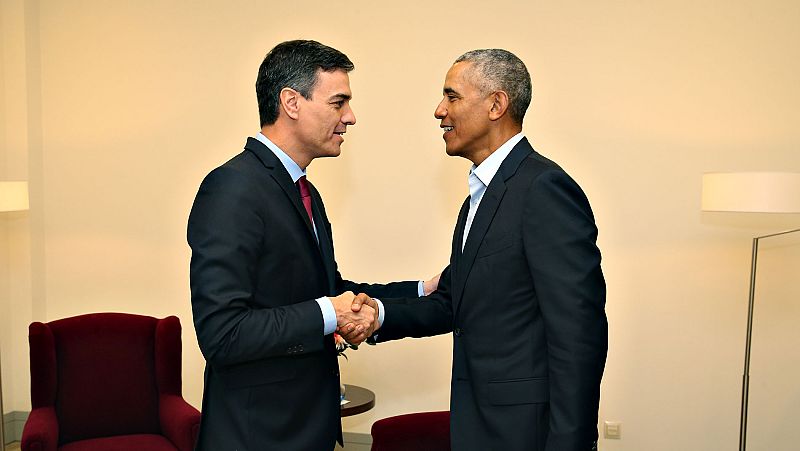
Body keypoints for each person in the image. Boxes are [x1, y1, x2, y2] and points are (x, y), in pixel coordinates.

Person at [187, 40, 437, 451]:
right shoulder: (232, 188)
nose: (350, 117)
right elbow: (222, 332)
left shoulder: (305, 192)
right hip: (257, 437)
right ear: (291, 102)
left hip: (304, 431)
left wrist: (418, 291)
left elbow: (327, 291)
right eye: (339, 102)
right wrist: (327, 313)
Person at [353, 49, 608, 450]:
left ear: (496, 104)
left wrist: (570, 443)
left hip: (526, 432)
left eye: (452, 96)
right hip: (480, 424)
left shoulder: (544, 189)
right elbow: (455, 302)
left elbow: (579, 333)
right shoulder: (480, 196)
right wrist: (377, 313)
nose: (440, 110)